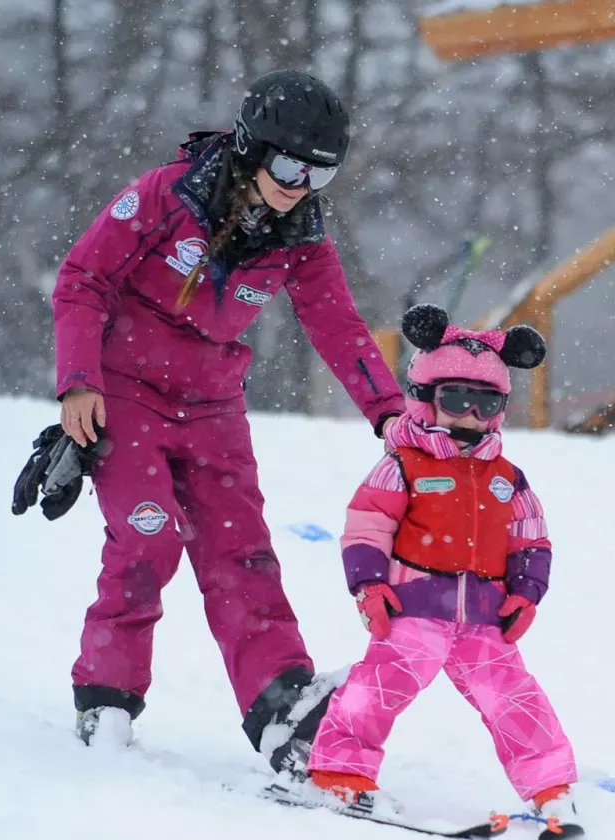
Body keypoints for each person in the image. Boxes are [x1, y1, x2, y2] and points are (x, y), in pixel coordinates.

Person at [42, 69, 405, 772]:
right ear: (249, 146)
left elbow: (338, 326)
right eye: (289, 164)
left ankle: (280, 706)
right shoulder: (164, 196)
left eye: (319, 174)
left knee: (242, 553)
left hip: (212, 406)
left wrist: (388, 412)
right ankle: (107, 700)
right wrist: (77, 384)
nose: (299, 184)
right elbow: (82, 281)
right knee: (147, 541)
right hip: (127, 395)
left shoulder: (300, 235)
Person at [304, 303, 582, 835]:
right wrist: (369, 586)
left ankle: (552, 789)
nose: (471, 415)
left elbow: (531, 539)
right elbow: (367, 527)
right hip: (414, 611)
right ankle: (340, 771)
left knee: (516, 699)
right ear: (427, 399)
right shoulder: (404, 463)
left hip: (484, 618)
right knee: (377, 689)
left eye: (487, 403)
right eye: (457, 399)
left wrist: (526, 593)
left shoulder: (507, 477)